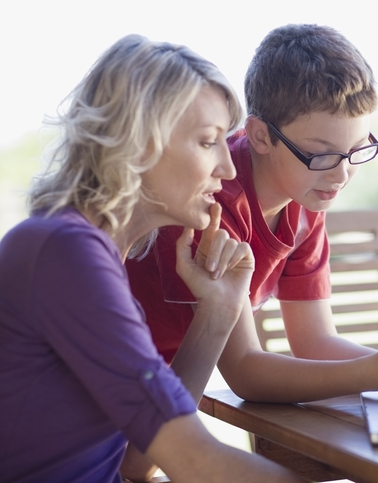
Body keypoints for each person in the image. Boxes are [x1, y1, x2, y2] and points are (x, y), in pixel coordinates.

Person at [126, 24, 378, 405]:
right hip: (116, 385)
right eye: (323, 154)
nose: (341, 174)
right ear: (260, 136)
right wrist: (375, 373)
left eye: (357, 150)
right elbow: (245, 372)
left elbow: (314, 341)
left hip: (166, 391)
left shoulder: (307, 191)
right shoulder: (212, 200)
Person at [0, 34, 301, 483]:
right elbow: (195, 462)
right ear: (138, 143)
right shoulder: (63, 253)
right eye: (207, 141)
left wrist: (217, 312)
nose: (228, 168)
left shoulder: (95, 255)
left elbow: (138, 463)